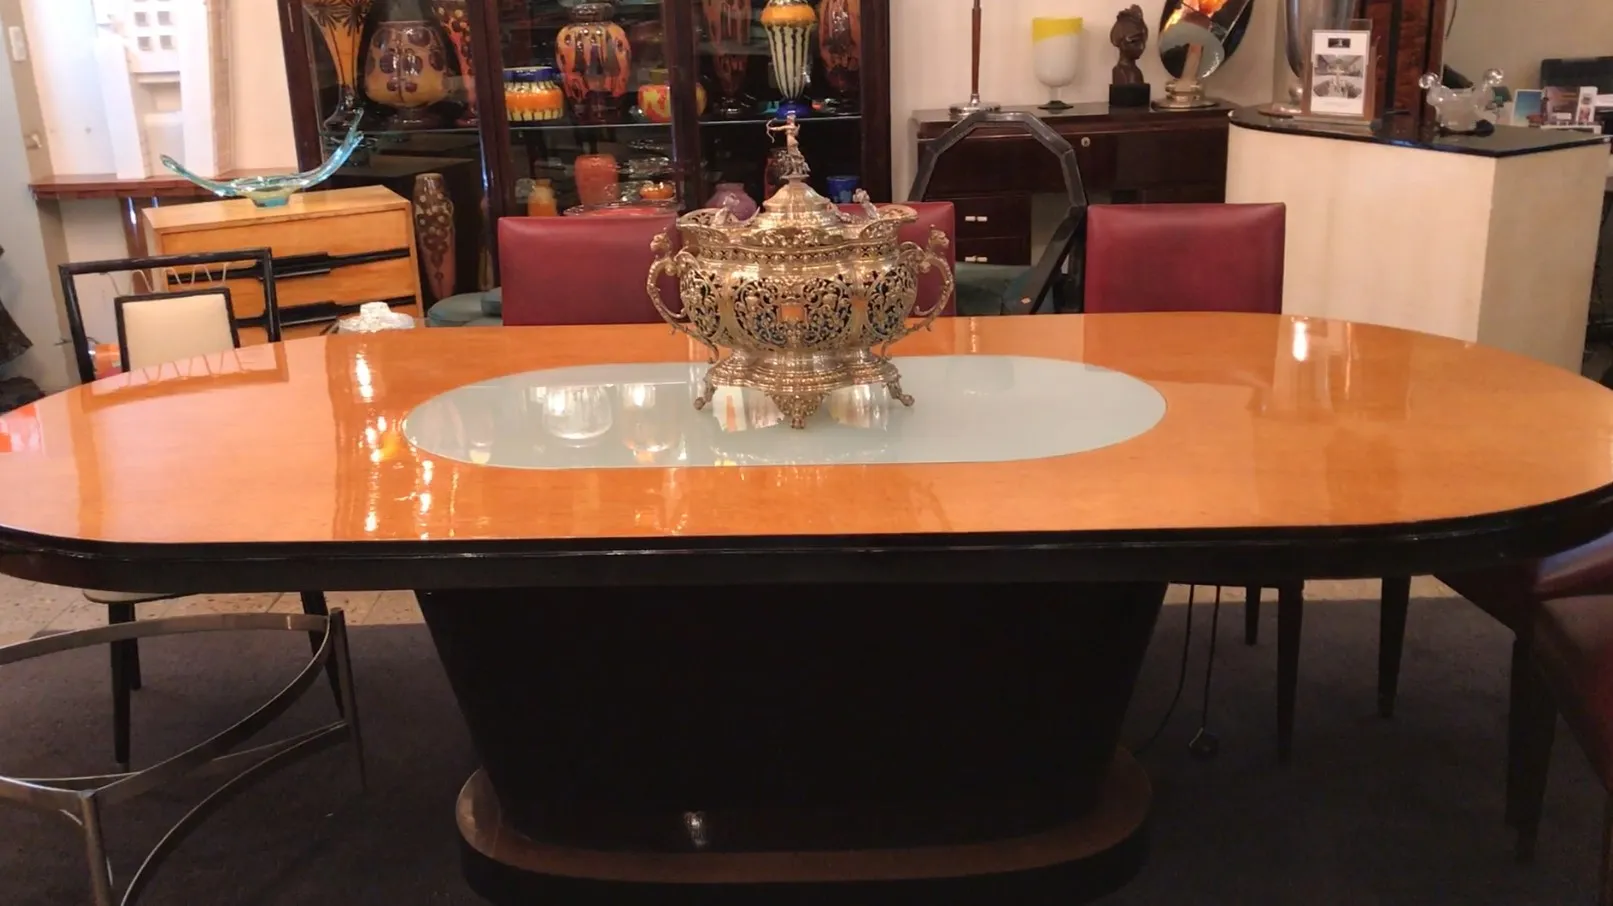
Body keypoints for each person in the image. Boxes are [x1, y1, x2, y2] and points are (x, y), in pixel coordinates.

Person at [1110, 5, 1148, 86]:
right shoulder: (1127, 73)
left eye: (1143, 41)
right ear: (1118, 41)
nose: (1142, 47)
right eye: (1134, 41)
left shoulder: (1135, 71)